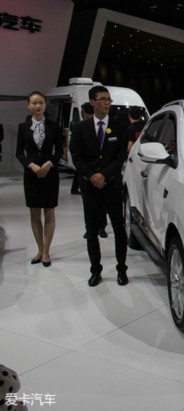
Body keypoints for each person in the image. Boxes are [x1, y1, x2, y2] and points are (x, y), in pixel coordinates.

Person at [70, 85, 129, 287]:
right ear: (92, 102)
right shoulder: (81, 128)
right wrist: (91, 176)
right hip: (90, 188)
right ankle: (96, 270)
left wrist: (105, 175)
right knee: (92, 231)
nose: (107, 103)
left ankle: (122, 269)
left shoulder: (119, 127)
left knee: (119, 229)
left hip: (112, 186)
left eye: (109, 100)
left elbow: (121, 156)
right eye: (103, 99)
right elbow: (76, 156)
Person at [15, 91, 63, 267]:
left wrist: (49, 164)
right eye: (34, 103)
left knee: (49, 212)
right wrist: (31, 165)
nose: (38, 106)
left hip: (50, 174)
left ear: (45, 104)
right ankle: (39, 249)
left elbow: (59, 150)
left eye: (41, 102)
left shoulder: (54, 126)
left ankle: (46, 252)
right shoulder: (23, 127)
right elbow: (19, 152)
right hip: (31, 175)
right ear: (28, 105)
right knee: (34, 213)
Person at [77, 103, 108, 238]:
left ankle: (101, 227)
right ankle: (90, 228)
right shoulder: (79, 128)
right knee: (88, 204)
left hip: (102, 172)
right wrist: (88, 174)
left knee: (102, 202)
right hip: (86, 173)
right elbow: (77, 154)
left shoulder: (104, 126)